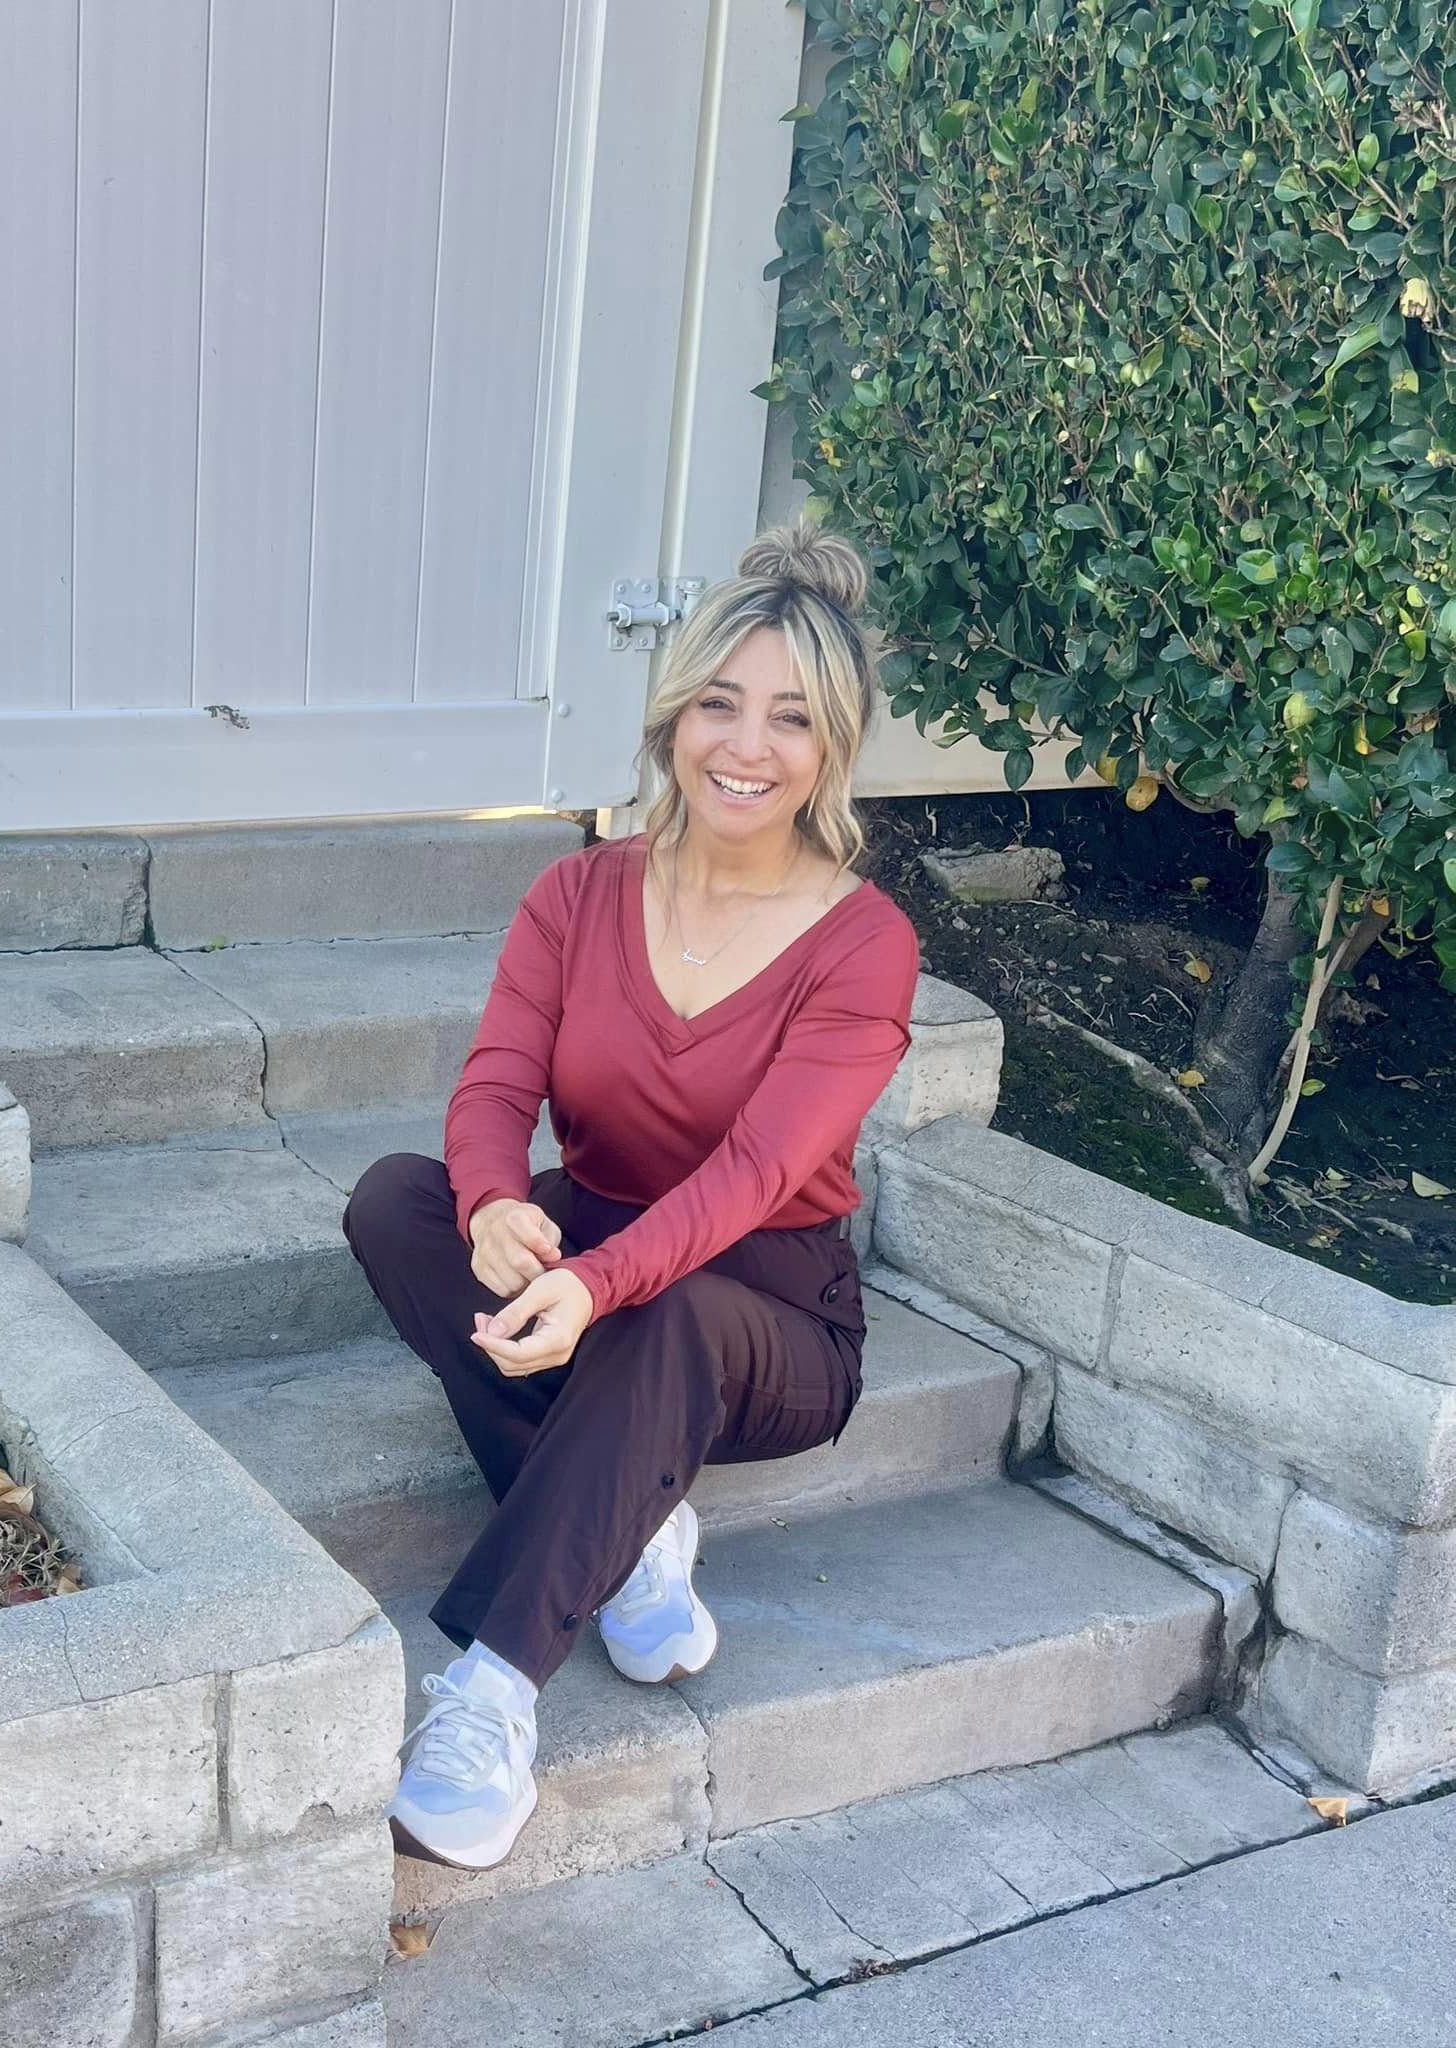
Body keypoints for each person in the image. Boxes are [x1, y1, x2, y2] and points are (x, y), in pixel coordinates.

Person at [343, 523, 920, 1872]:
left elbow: (756, 1176)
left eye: (790, 717)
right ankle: (637, 1525)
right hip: (587, 1235)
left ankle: (491, 1695)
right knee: (391, 1203)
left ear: (830, 747)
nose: (746, 744)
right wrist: (491, 1205)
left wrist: (595, 1284)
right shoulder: (578, 891)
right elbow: (494, 1083)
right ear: (674, 720)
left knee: (673, 1323)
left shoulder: (864, 941)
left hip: (768, 1307)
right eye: (721, 701)